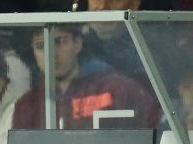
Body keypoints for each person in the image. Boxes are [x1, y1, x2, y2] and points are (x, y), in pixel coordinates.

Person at [12, 24, 159, 131]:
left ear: (78, 44)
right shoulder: (27, 105)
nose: (52, 53)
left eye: (60, 42)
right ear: (33, 52)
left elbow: (155, 130)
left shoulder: (114, 88)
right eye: (41, 46)